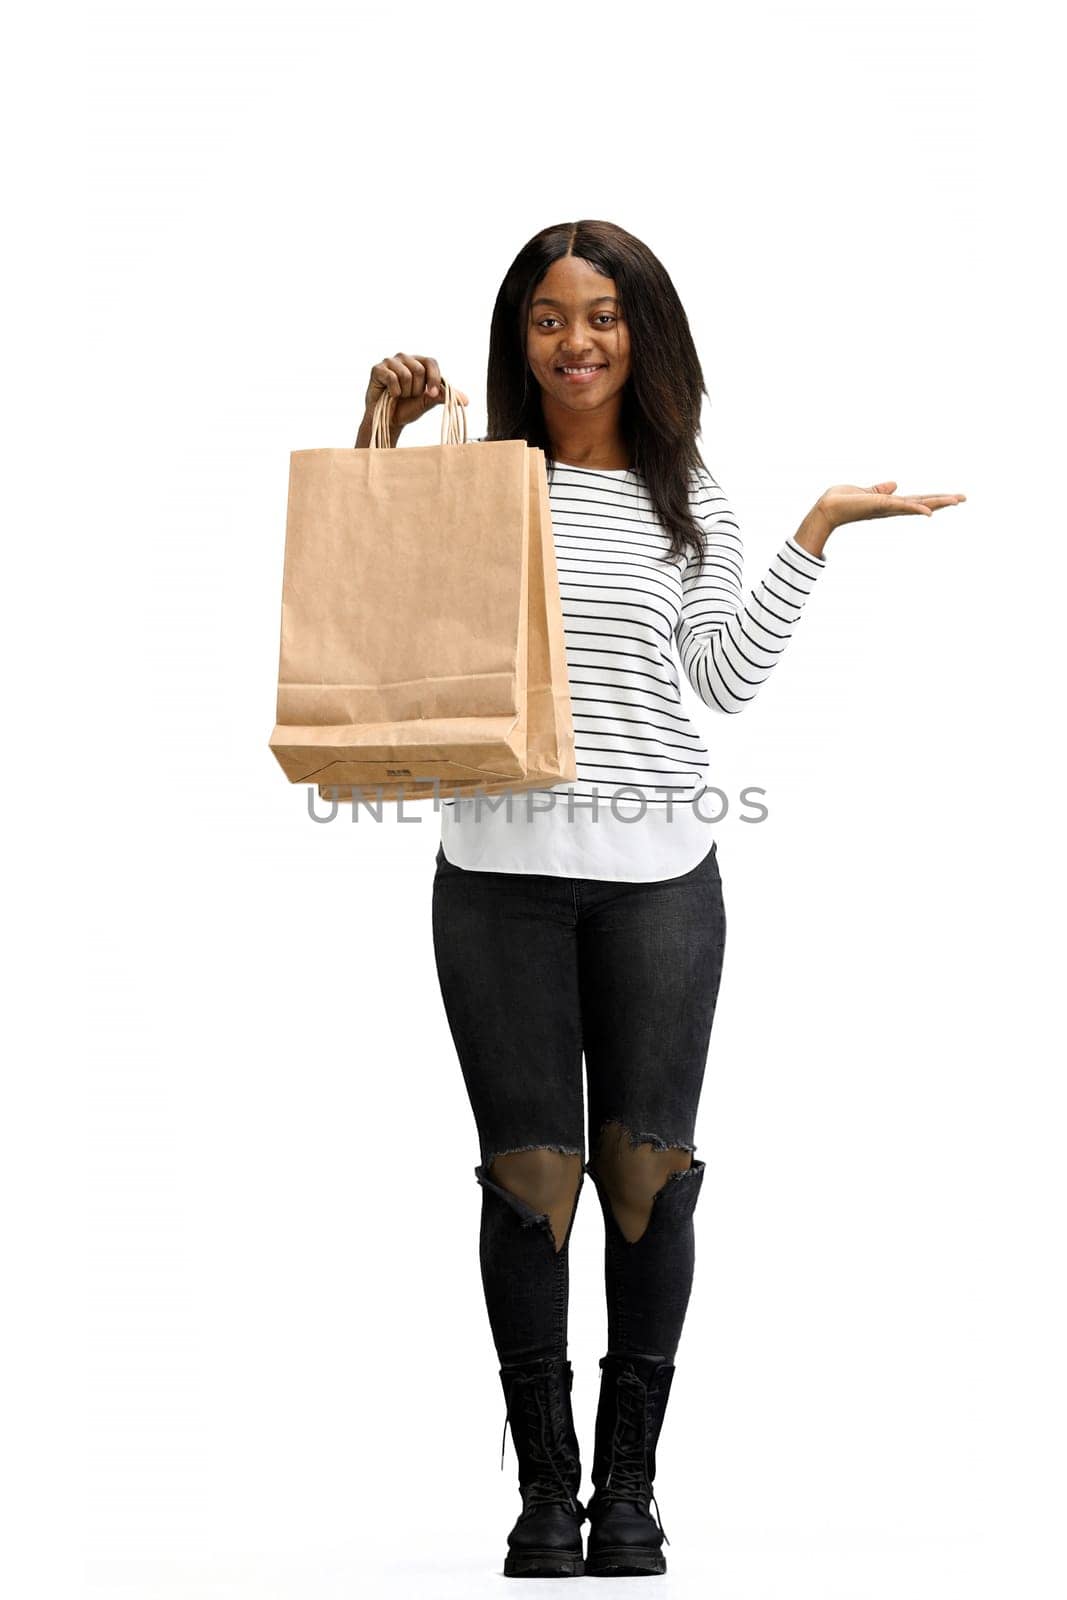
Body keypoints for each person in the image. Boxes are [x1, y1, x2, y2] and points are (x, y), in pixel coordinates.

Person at [354, 220, 965, 1579]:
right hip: (494, 881)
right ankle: (543, 1497)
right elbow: (382, 614)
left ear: (645, 334)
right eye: (551, 318)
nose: (579, 341)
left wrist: (815, 531)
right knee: (529, 1189)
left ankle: (629, 1490)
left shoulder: (685, 489)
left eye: (606, 315)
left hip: (662, 885)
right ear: (520, 340)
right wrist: (382, 434)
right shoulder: (481, 477)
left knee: (648, 1185)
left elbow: (727, 682)